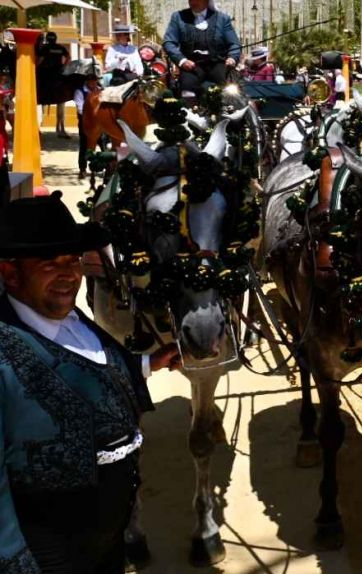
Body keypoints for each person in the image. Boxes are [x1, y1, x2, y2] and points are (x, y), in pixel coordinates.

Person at [0, 192, 180, 573]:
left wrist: (149, 363)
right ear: (10, 273)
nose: (69, 275)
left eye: (73, 260)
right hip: (49, 553)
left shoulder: (70, 316)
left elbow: (89, 370)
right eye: (49, 263)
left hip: (108, 538)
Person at [162, 0, 241, 100]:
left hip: (218, 64)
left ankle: (228, 112)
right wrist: (182, 60)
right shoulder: (177, 17)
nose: (192, 2)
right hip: (191, 66)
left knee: (229, 89)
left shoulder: (222, 19)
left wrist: (232, 58)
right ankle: (190, 112)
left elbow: (234, 43)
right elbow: (169, 42)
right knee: (187, 90)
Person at [36, 32, 70, 138]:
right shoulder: (60, 48)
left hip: (45, 76)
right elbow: (68, 57)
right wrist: (63, 66)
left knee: (38, 96)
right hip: (58, 75)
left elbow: (40, 61)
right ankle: (61, 128)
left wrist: (34, 68)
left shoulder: (45, 48)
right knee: (62, 102)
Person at [73, 62, 100, 179]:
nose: (93, 83)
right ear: (87, 82)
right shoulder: (80, 91)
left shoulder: (100, 90)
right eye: (91, 81)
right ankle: (82, 169)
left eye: (95, 81)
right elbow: (80, 109)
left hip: (99, 123)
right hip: (86, 122)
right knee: (84, 145)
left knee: (103, 144)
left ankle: (107, 167)